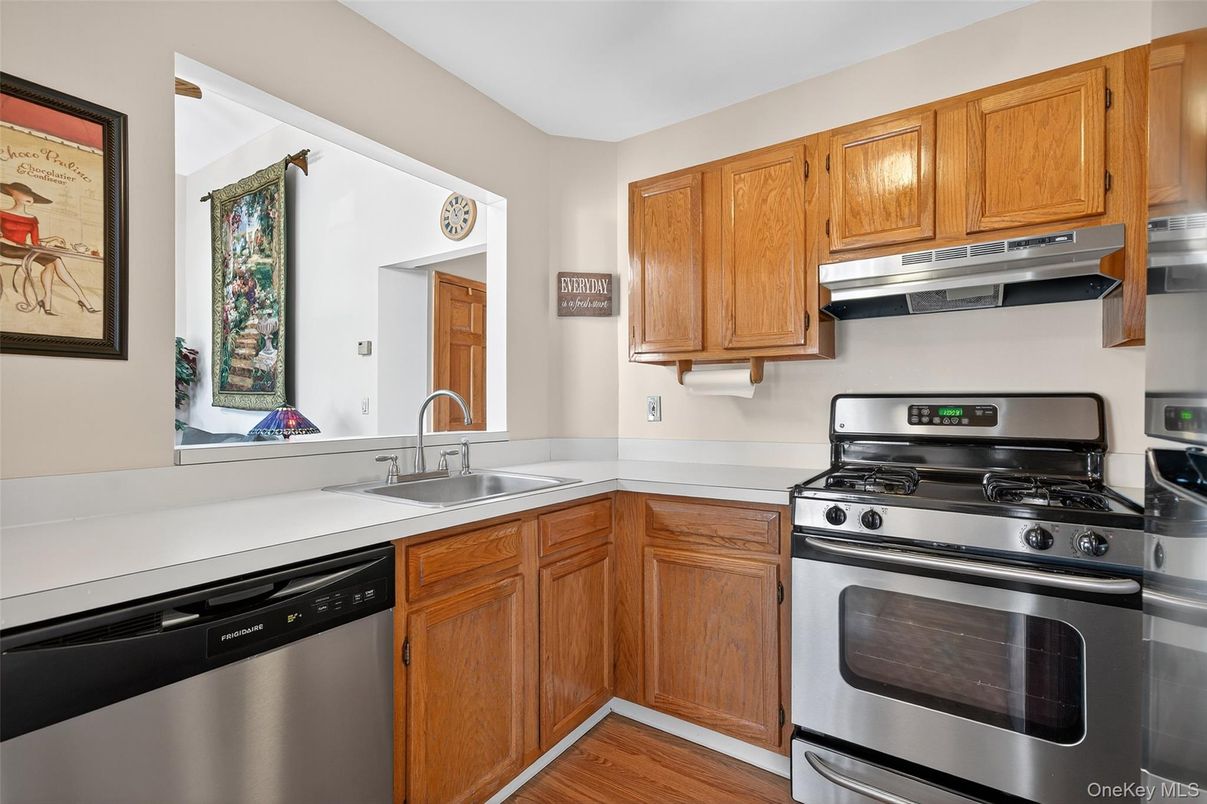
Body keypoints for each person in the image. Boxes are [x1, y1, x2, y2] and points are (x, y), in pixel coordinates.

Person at [1, 181, 99, 315]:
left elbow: (35, 242)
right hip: (5, 248)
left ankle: (49, 302)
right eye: (25, 194)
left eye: (31, 195)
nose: (30, 197)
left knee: (54, 261)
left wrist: (52, 239)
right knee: (54, 260)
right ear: (12, 194)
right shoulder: (1, 213)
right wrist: (18, 244)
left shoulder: (32, 219)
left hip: (24, 250)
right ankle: (80, 301)